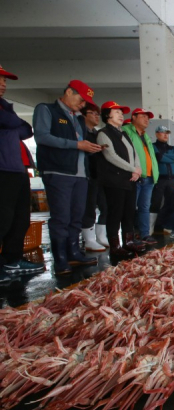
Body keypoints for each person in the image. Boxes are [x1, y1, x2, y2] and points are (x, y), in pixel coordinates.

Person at [33, 79, 101, 275]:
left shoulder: (78, 118)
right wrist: (77, 145)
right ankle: (60, 258)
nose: (83, 104)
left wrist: (89, 148)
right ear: (69, 92)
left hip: (80, 174)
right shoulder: (47, 110)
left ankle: (74, 252)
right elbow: (42, 137)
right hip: (58, 171)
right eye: (81, 99)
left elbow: (79, 142)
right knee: (61, 216)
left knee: (76, 216)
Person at [0, 65, 44, 282]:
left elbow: (26, 130)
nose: (3, 84)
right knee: (3, 218)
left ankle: (12, 259)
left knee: (20, 219)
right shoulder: (6, 112)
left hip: (17, 169)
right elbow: (13, 124)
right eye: (0, 80)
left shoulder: (6, 107)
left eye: (5, 81)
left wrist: (11, 122)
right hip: (2, 170)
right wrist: (11, 123)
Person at [96, 101, 145, 257]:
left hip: (129, 180)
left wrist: (137, 170)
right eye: (117, 112)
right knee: (115, 212)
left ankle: (128, 242)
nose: (121, 115)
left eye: (121, 112)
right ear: (107, 115)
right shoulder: (103, 133)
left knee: (129, 212)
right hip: (114, 180)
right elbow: (110, 156)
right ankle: (115, 246)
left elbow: (134, 153)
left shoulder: (123, 133)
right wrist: (132, 169)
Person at [122, 108, 158, 245]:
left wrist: (155, 174)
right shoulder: (126, 131)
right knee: (130, 208)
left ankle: (144, 234)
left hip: (148, 177)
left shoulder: (145, 135)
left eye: (148, 118)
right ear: (134, 117)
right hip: (135, 176)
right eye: (143, 116)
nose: (146, 120)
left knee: (144, 208)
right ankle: (129, 236)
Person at [80, 103, 108, 252]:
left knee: (105, 205)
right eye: (93, 113)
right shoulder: (80, 132)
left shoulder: (97, 134)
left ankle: (101, 236)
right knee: (89, 206)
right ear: (84, 115)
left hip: (100, 175)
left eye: (98, 114)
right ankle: (89, 239)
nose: (97, 116)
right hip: (87, 174)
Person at [150, 125, 174, 234]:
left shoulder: (172, 148)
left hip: (172, 179)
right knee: (155, 202)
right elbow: (159, 157)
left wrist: (165, 155)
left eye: (167, 133)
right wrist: (169, 157)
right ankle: (151, 228)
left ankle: (165, 225)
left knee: (170, 202)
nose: (165, 135)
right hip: (160, 179)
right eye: (162, 132)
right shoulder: (153, 146)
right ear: (156, 134)